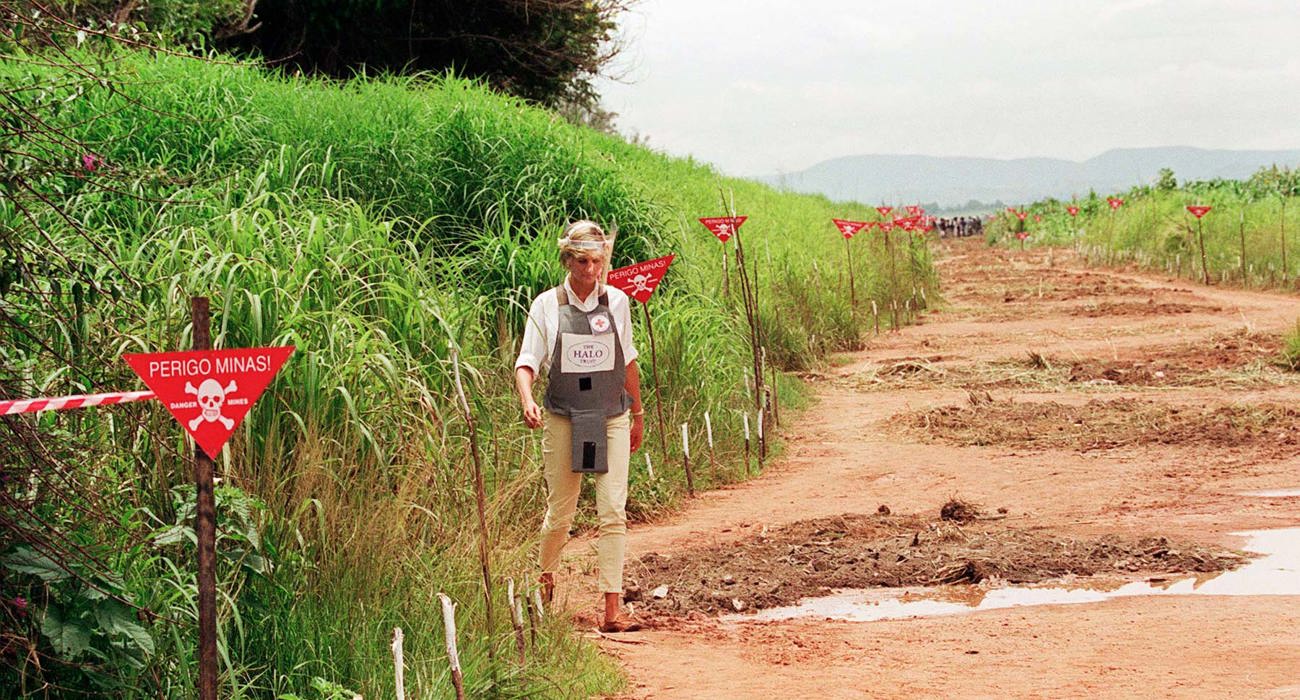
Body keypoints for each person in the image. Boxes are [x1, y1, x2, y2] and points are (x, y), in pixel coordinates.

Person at [514, 219, 645, 633]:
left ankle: (612, 609)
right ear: (568, 260)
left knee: (613, 511)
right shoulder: (546, 305)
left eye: (598, 261)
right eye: (583, 261)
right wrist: (527, 399)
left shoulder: (618, 303)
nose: (591, 270)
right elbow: (527, 362)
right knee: (561, 512)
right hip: (563, 417)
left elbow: (627, 362)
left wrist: (638, 414)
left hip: (612, 415)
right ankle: (545, 590)